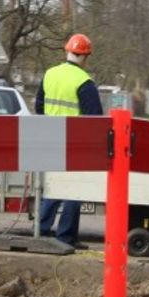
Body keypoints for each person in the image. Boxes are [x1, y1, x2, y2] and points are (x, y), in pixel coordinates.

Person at [35, 33, 103, 248]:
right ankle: (66, 236)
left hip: (50, 141)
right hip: (75, 145)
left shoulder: (49, 74)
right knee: (74, 189)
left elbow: (39, 107)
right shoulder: (84, 82)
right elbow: (95, 120)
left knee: (53, 186)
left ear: (67, 52)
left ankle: (41, 230)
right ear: (85, 57)